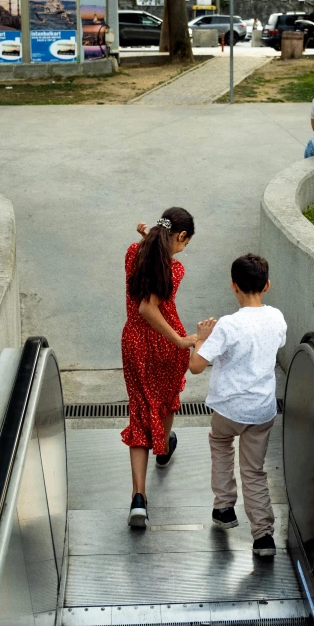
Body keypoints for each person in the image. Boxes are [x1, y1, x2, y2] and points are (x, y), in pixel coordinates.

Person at [189, 254, 287, 557]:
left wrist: (201, 339)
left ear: (234, 286)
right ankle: (263, 537)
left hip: (229, 409)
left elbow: (196, 366)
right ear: (267, 285)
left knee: (220, 444)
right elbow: (275, 345)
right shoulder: (277, 318)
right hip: (261, 410)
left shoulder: (229, 325)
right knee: (254, 470)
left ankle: (224, 508)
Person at [122, 207, 197, 528]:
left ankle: (139, 498)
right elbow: (148, 307)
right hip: (164, 344)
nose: (184, 249)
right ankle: (163, 450)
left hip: (134, 344)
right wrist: (180, 341)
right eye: (185, 243)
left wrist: (146, 241)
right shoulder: (174, 269)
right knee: (165, 400)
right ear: (180, 236)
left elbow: (146, 265)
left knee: (140, 412)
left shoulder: (133, 253)